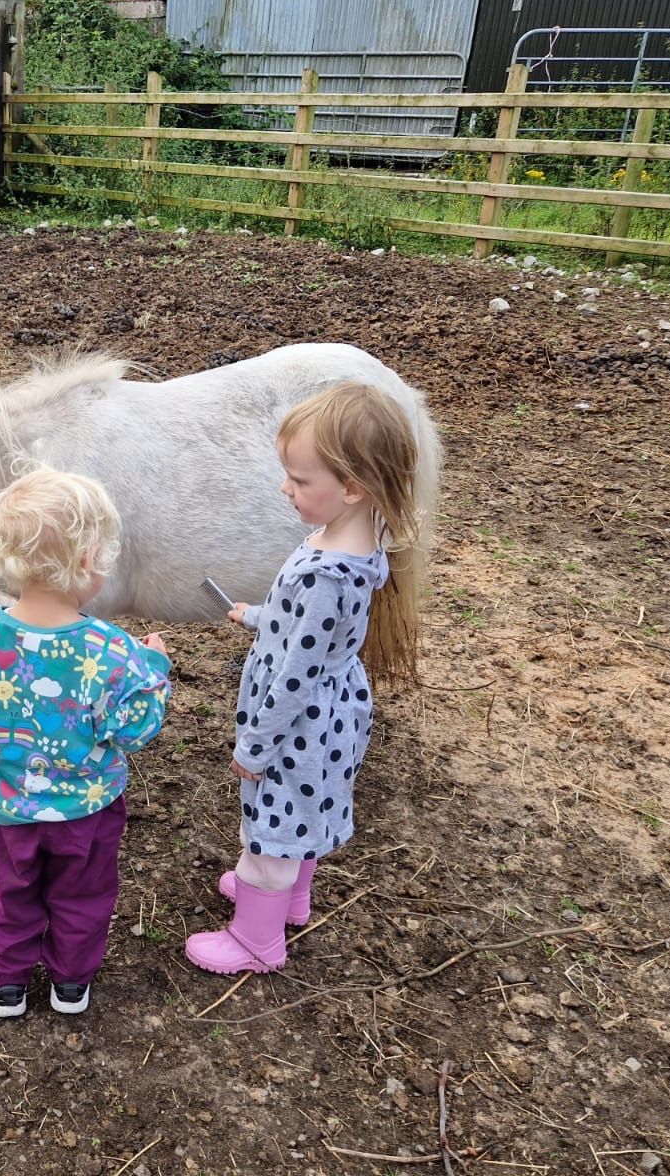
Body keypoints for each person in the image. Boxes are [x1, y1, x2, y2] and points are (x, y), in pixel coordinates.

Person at [186, 381, 420, 976]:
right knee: (301, 810)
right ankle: (289, 897)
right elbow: (311, 630)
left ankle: (256, 941)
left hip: (300, 722)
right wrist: (256, 615)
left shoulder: (327, 575)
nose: (285, 488)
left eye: (299, 479)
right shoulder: (355, 544)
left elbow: (295, 673)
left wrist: (256, 745)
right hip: (332, 707)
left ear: (352, 487)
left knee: (273, 817)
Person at [0, 467, 172, 1017]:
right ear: (89, 562)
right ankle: (70, 983)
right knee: (82, 897)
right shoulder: (113, 651)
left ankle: (8, 985)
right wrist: (154, 668)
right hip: (88, 812)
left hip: (8, 808)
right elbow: (134, 732)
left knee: (15, 893)